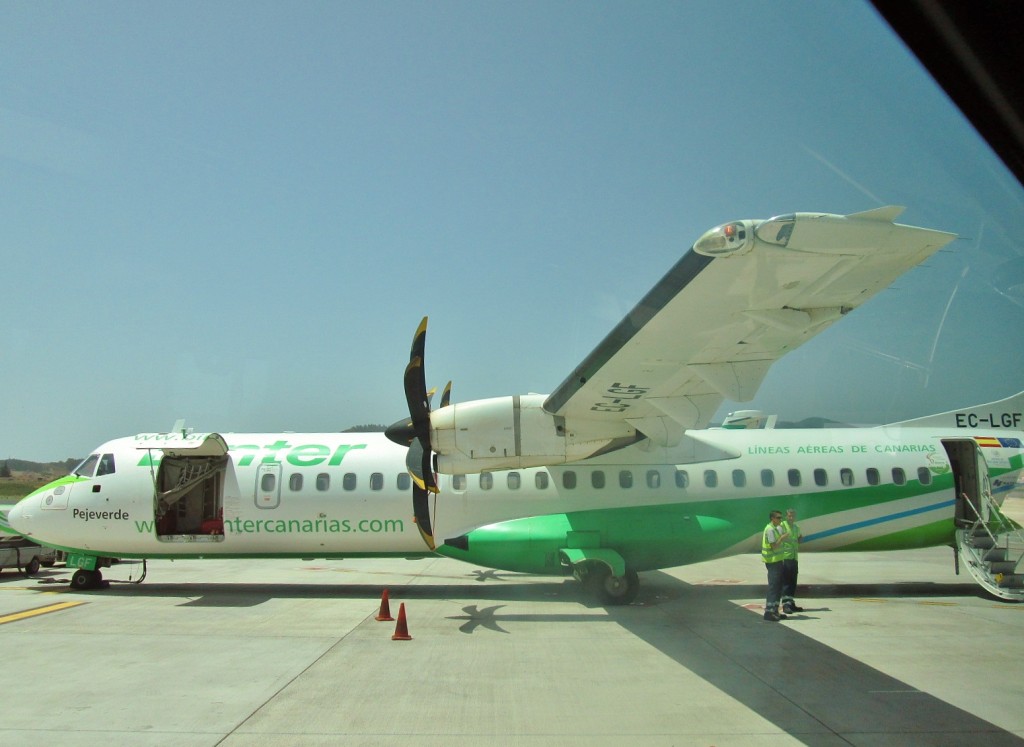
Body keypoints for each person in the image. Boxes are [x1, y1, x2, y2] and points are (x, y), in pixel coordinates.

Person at [761, 509, 789, 621]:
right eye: (778, 518)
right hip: (772, 562)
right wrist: (782, 538)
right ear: (772, 518)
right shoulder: (770, 530)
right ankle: (769, 611)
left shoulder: (776, 529)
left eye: (781, 518)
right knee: (773, 586)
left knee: (778, 586)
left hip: (778, 561)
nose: (780, 520)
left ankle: (775, 610)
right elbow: (774, 546)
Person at [780, 508, 804, 614]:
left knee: (793, 582)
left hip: (794, 557)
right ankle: (785, 604)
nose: (791, 518)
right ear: (786, 516)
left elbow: (798, 538)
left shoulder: (796, 527)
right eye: (789, 516)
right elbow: (778, 539)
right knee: (786, 582)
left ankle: (791, 601)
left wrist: (799, 539)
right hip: (785, 557)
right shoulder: (782, 526)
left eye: (793, 516)